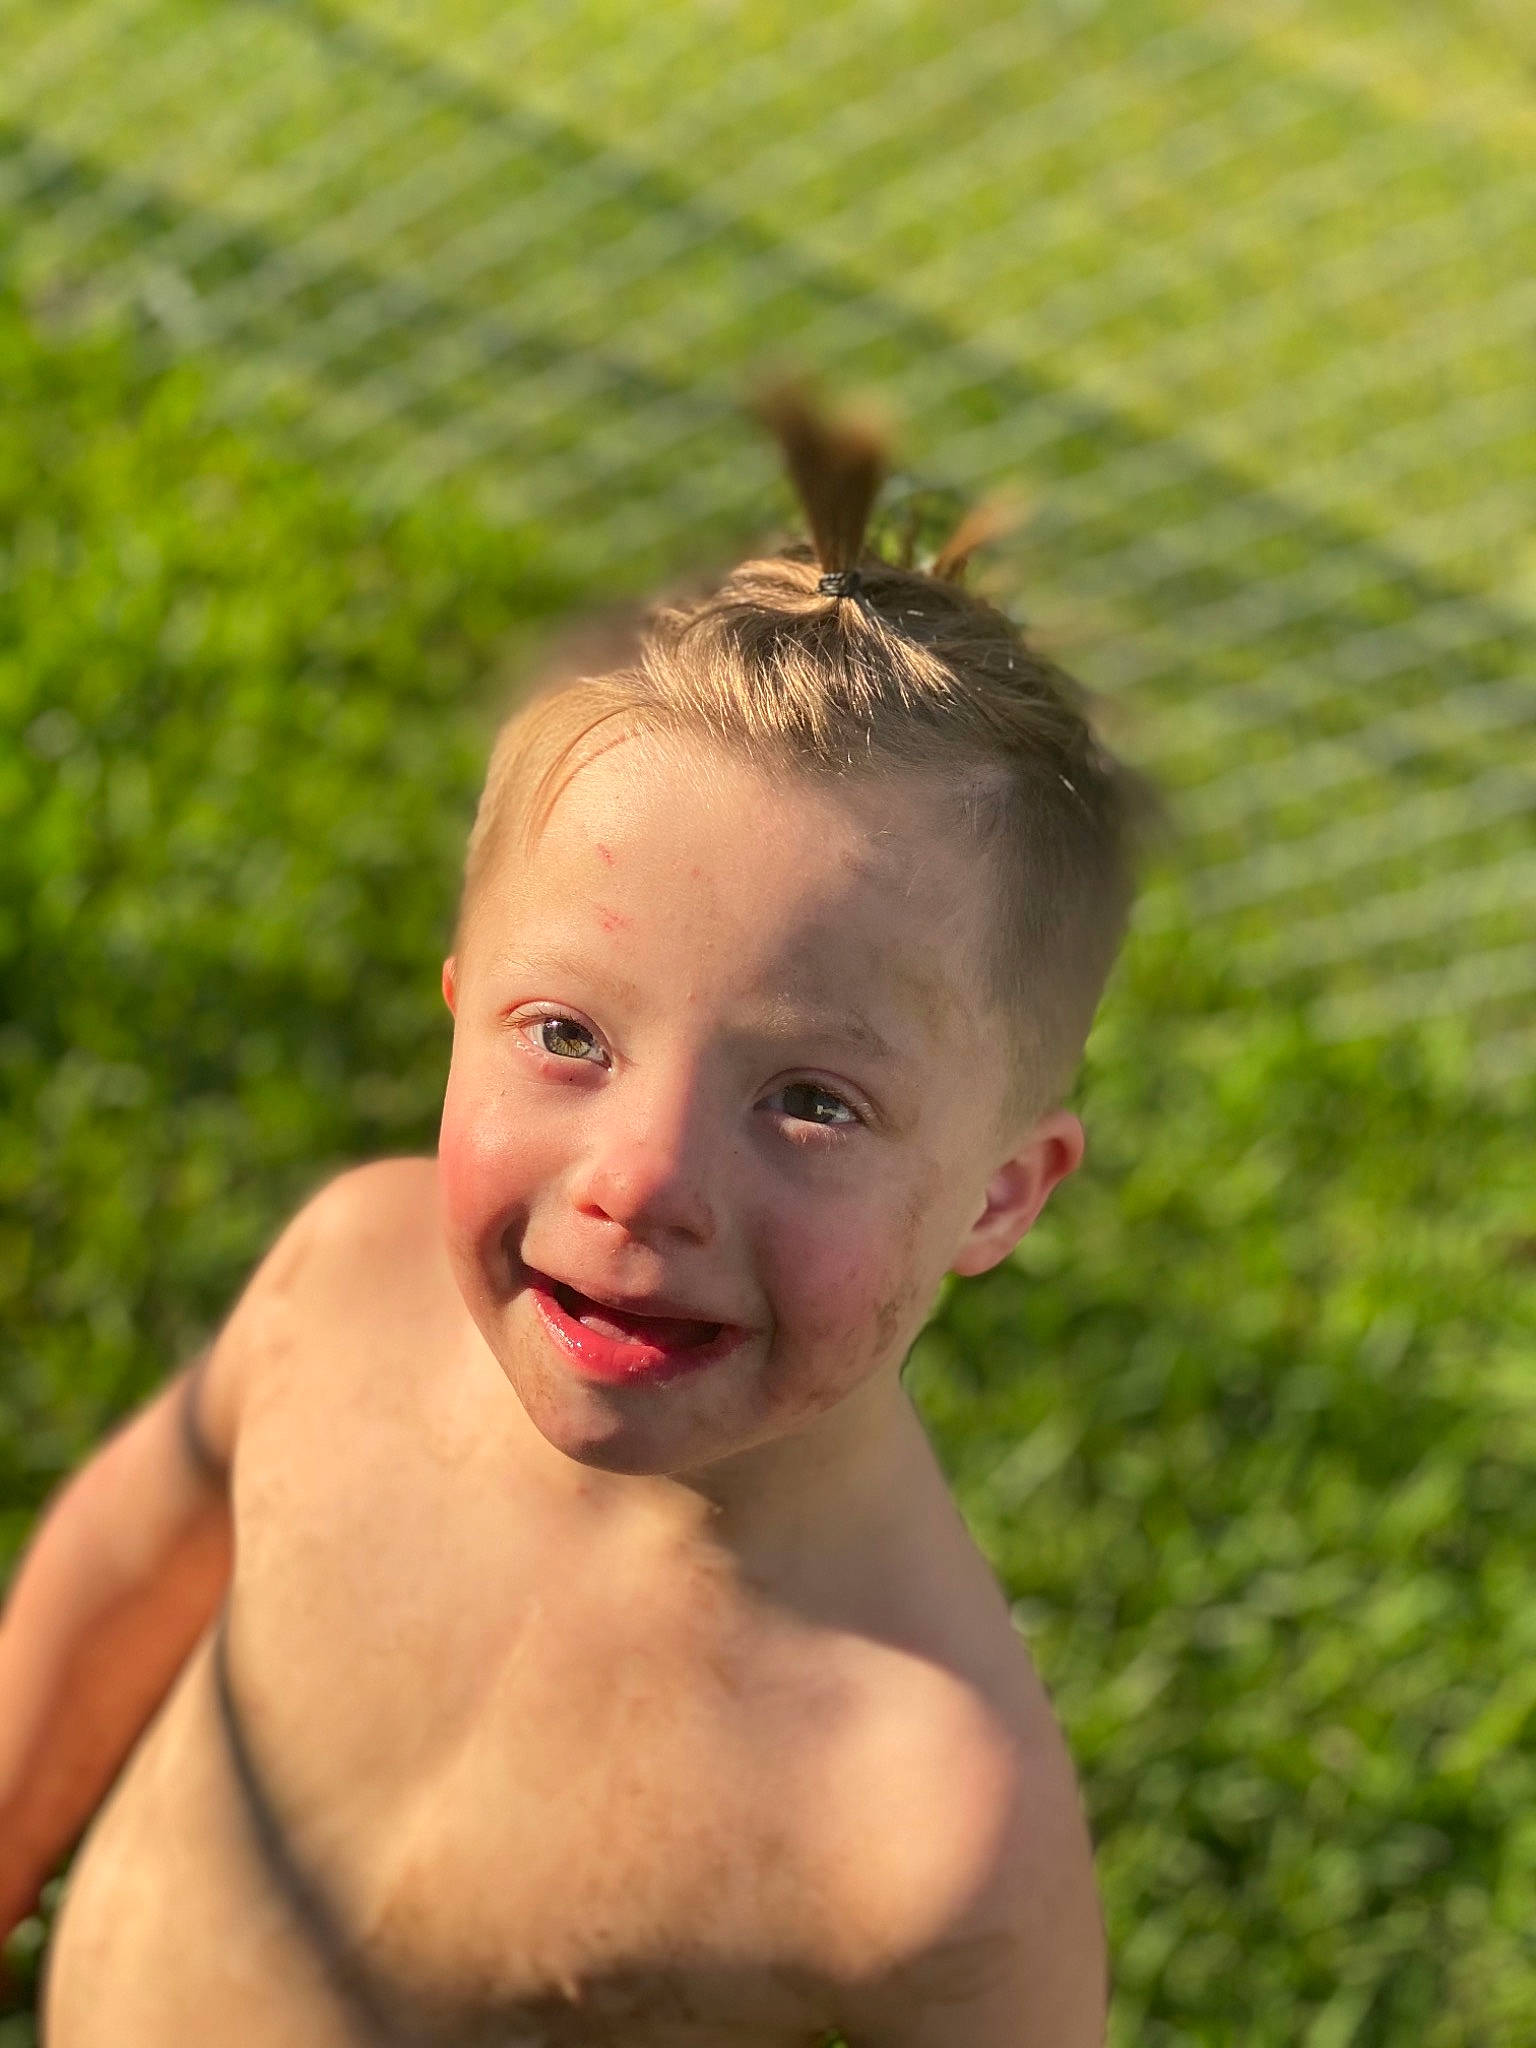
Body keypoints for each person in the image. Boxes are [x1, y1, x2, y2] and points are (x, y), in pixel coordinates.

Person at [0, 390, 1151, 2046]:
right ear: (459, 1011)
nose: (642, 1178)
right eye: (569, 1039)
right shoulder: (346, 1283)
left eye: (811, 1102)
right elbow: (125, 1561)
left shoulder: (923, 1823)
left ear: (999, 1194)